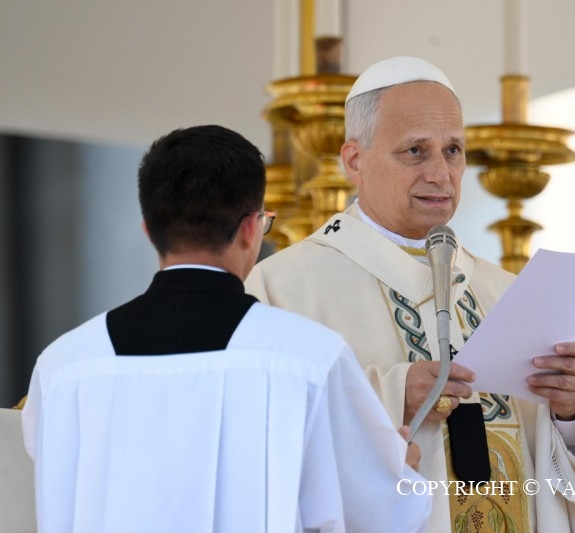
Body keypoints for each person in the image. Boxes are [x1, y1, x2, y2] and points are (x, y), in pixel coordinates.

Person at [245, 56, 575, 532]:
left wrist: (571, 412)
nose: (440, 172)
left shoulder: (504, 291)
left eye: (453, 150)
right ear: (354, 160)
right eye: (415, 151)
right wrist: (390, 397)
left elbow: (571, 482)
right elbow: (255, 440)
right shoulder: (283, 287)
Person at [21, 125, 430, 533]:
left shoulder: (64, 366)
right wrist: (401, 470)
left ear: (148, 229)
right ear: (251, 229)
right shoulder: (306, 358)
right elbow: (380, 513)